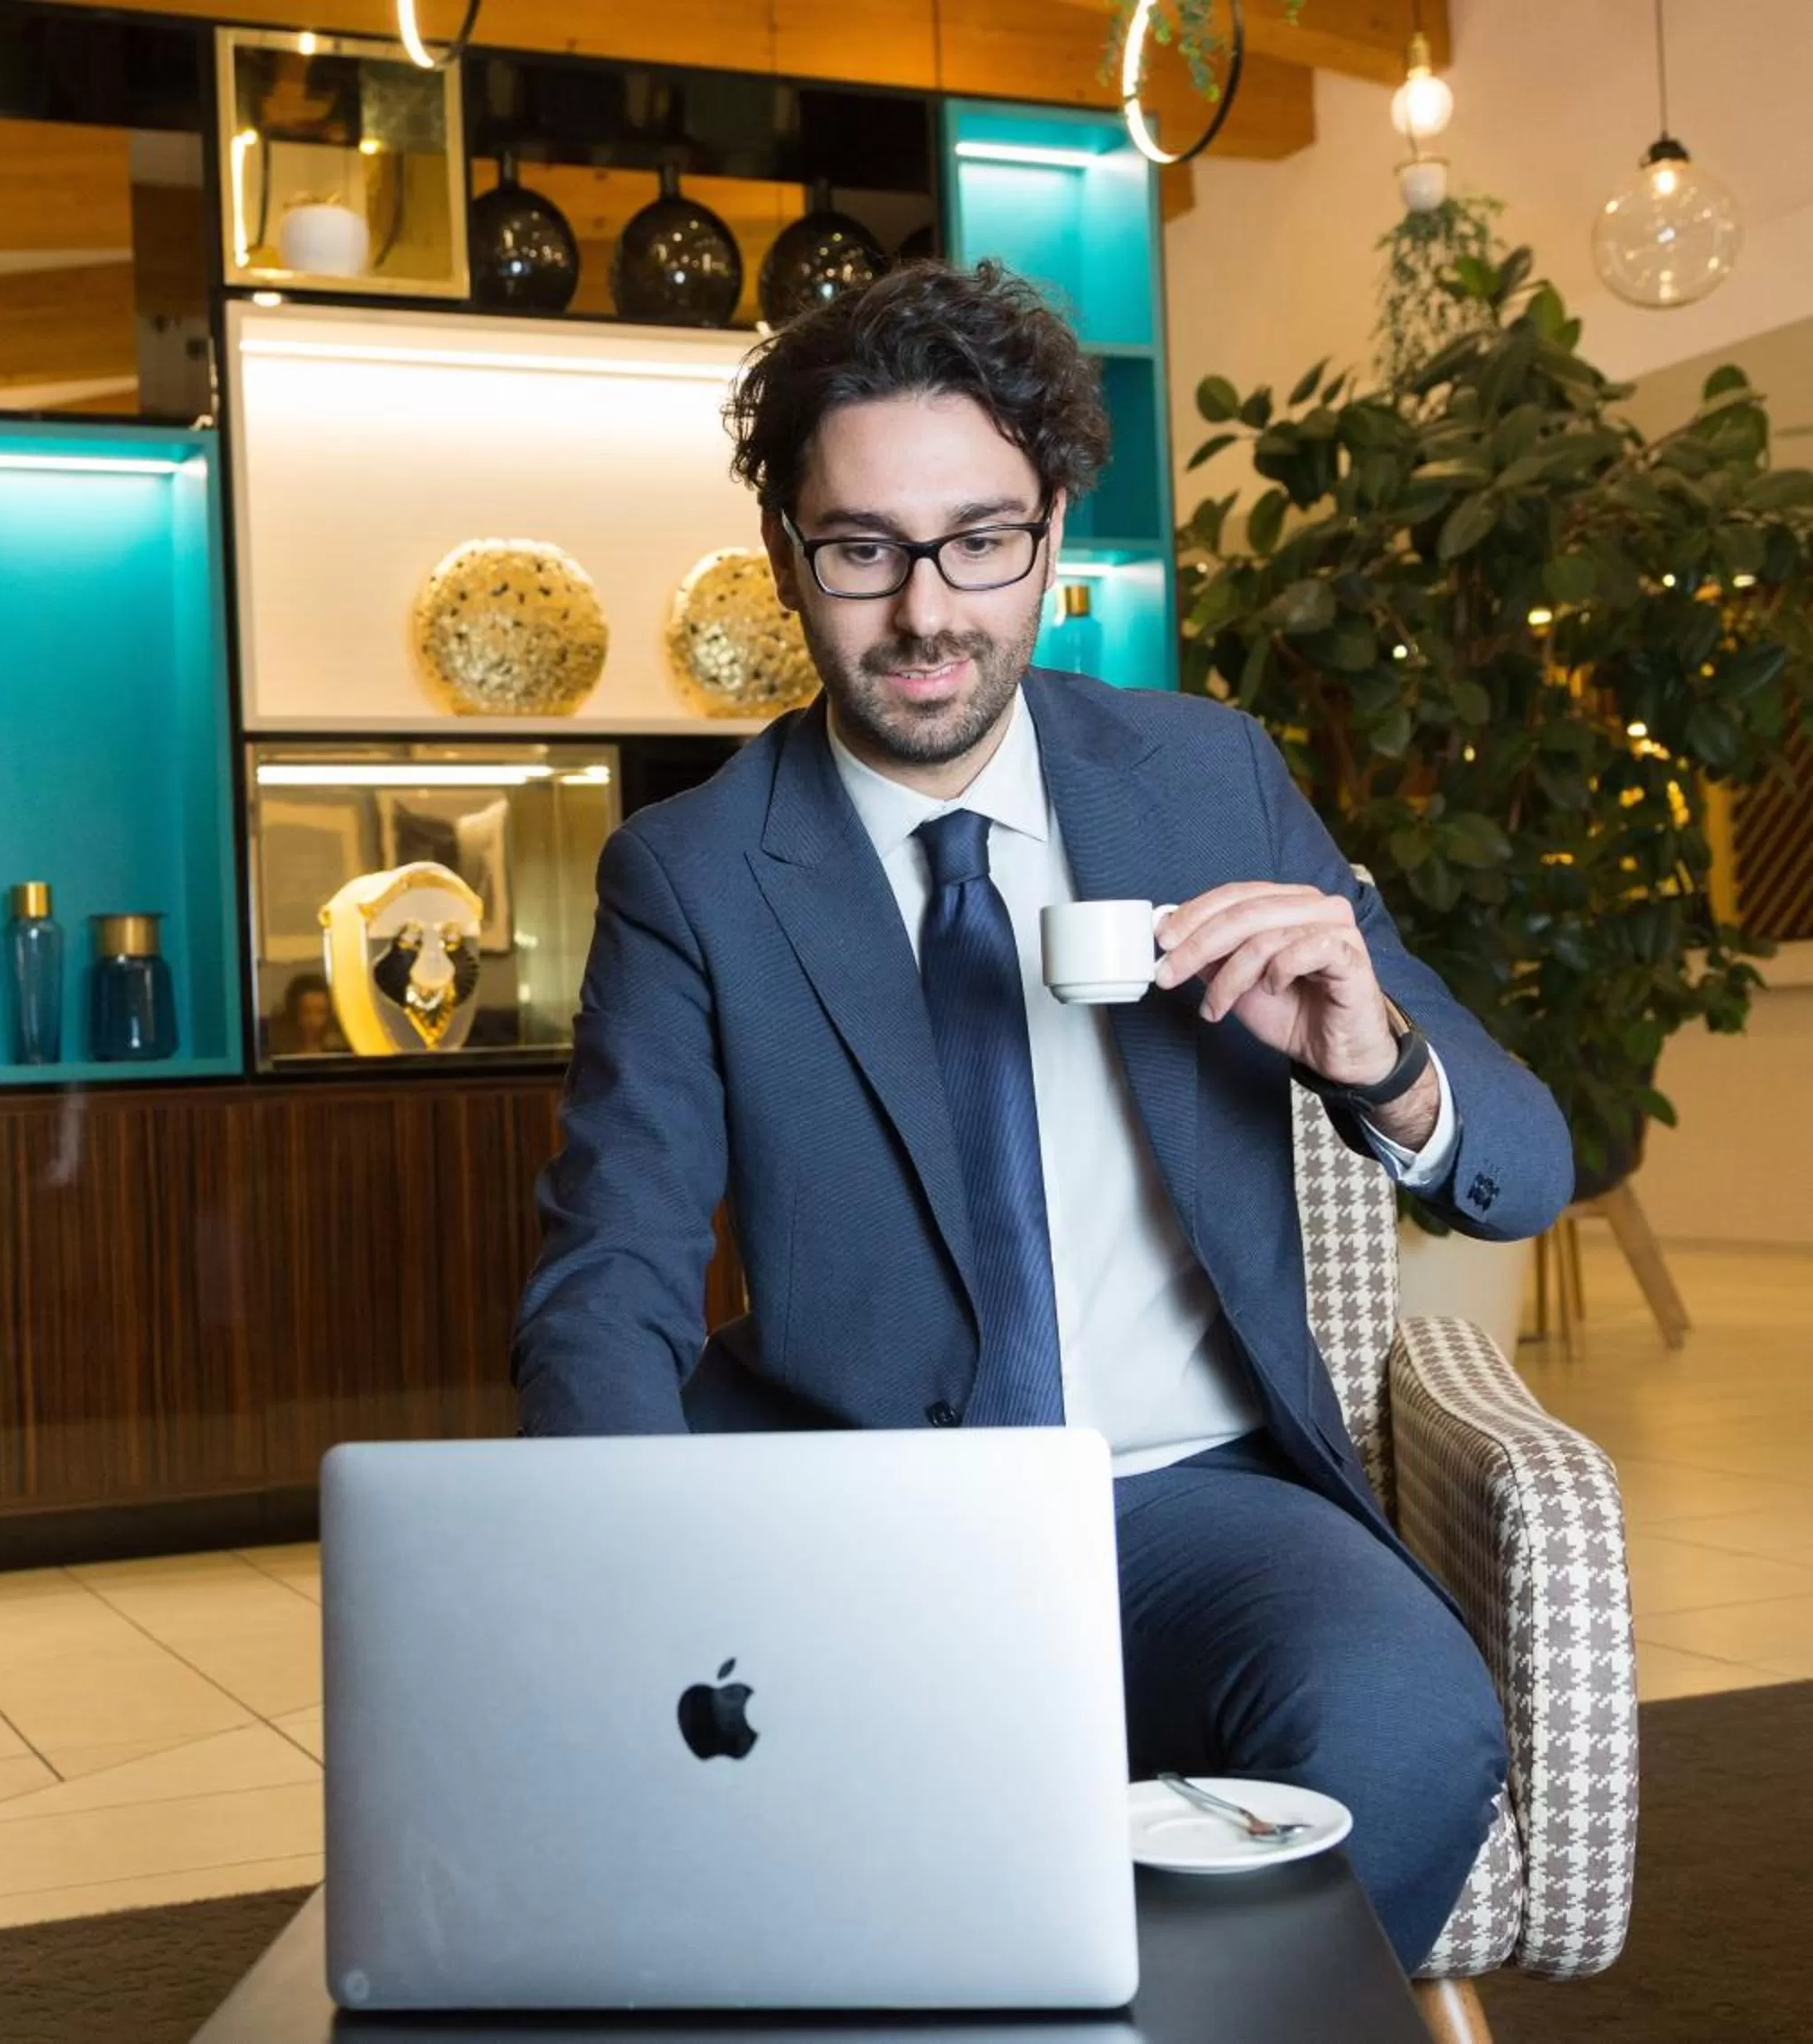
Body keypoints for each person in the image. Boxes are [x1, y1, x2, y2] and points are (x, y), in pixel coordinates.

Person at [510, 260, 1570, 1977]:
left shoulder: (1208, 774)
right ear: (787, 557)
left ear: (1053, 532)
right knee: (749, 1833)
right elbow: (610, 1271)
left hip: (1193, 1506)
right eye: (863, 548)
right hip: (848, 1507)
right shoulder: (693, 874)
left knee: (1406, 1725)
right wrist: (633, 1563)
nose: (929, 610)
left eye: (980, 539)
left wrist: (1375, 1057)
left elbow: (1525, 1168)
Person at [267, 972, 346, 1057]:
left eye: (321, 1012)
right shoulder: (280, 1050)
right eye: (306, 1012)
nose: (313, 1020)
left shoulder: (340, 1048)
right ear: (294, 1013)